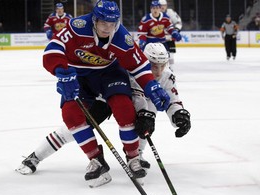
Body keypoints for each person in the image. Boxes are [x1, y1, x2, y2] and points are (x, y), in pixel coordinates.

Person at [16, 43, 190, 182]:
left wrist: (178, 114)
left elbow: (171, 99)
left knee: (142, 123)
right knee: (73, 130)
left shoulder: (167, 76)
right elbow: (138, 97)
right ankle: (36, 156)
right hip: (106, 100)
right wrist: (146, 114)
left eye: (161, 65)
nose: (158, 71)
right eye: (153, 65)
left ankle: (137, 157)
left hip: (129, 105)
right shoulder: (133, 69)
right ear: (144, 60)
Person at [41, 0, 170, 188]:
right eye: (103, 23)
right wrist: (62, 72)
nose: (108, 28)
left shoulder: (121, 36)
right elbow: (53, 49)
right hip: (78, 75)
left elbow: (138, 64)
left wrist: (151, 85)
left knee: (124, 108)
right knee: (71, 114)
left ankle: (133, 157)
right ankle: (96, 161)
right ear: (94, 20)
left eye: (112, 24)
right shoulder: (77, 27)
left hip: (109, 73)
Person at [158, 0, 182, 70]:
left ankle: (171, 69)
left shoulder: (170, 13)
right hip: (159, 39)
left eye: (164, 5)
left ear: (166, 6)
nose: (162, 7)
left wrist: (176, 31)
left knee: (171, 55)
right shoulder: (155, 14)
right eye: (161, 5)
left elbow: (178, 22)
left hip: (169, 38)